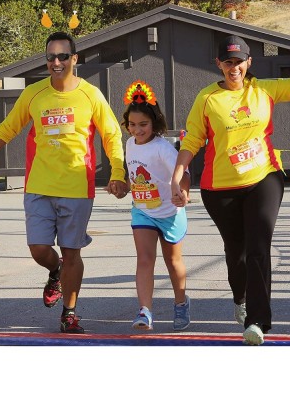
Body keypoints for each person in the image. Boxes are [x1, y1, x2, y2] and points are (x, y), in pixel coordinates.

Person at [0, 31, 127, 334]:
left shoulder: (91, 95)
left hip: (77, 188)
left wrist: (118, 172)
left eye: (63, 56)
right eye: (51, 56)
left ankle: (69, 312)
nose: (56, 62)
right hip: (39, 186)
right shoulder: (34, 93)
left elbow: (111, 135)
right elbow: (7, 128)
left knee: (72, 253)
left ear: (74, 59)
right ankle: (55, 272)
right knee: (39, 248)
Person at [171, 34, 290, 345]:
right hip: (219, 188)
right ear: (219, 64)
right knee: (236, 255)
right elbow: (193, 139)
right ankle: (241, 300)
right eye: (228, 61)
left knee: (258, 249)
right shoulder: (208, 98)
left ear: (249, 62)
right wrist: (178, 175)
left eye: (239, 61)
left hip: (264, 178)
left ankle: (258, 322)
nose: (233, 66)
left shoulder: (264, 89)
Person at [120, 81, 191, 331]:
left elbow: (184, 172)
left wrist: (182, 192)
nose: (137, 130)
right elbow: (136, 178)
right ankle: (145, 311)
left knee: (173, 262)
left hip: (170, 212)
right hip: (143, 211)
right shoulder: (129, 145)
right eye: (132, 124)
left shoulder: (162, 148)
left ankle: (181, 302)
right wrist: (123, 187)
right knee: (144, 259)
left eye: (143, 125)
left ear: (154, 123)